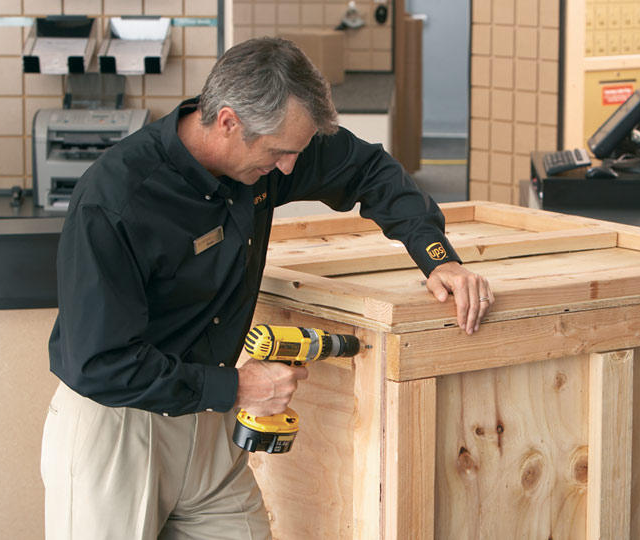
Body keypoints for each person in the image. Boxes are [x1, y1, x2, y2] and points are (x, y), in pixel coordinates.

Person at [41, 37, 493, 539]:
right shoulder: (116, 200)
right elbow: (98, 363)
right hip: (119, 432)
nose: (288, 170)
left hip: (208, 425)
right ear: (229, 121)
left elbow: (368, 169)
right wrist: (238, 387)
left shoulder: (265, 157)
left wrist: (436, 257)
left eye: (295, 153)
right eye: (280, 152)